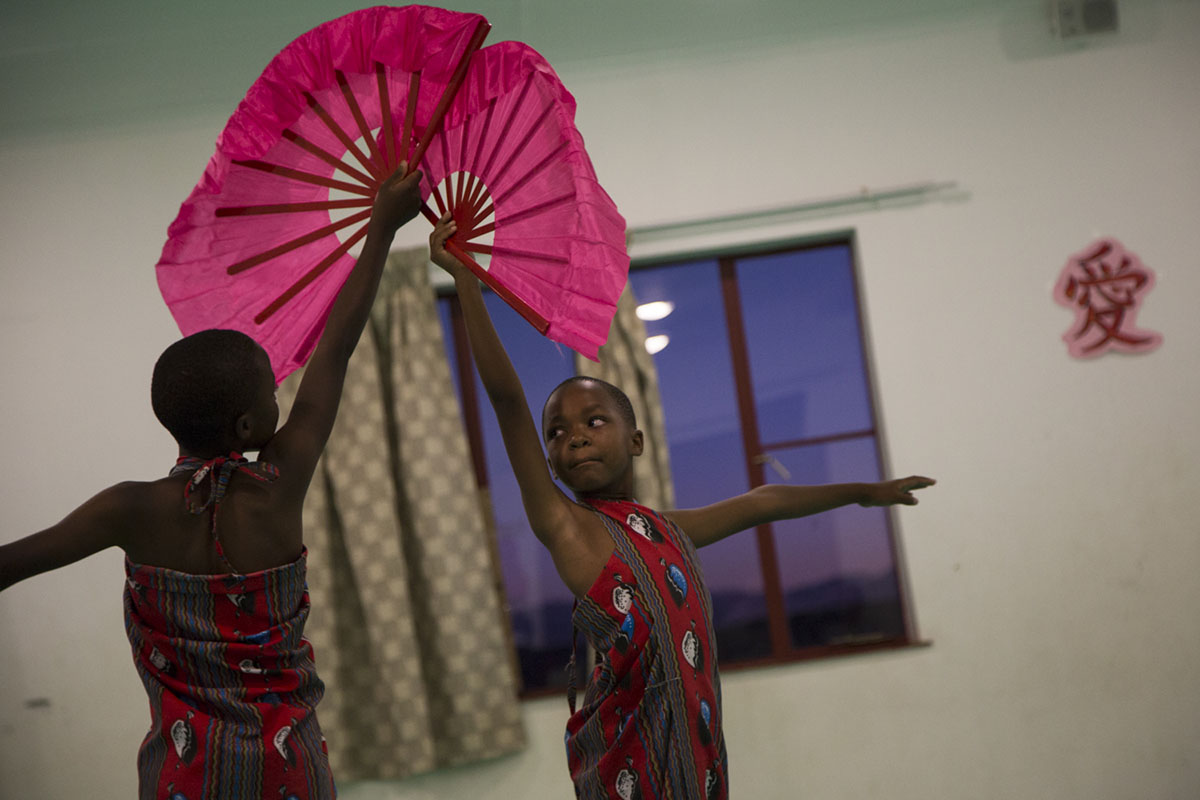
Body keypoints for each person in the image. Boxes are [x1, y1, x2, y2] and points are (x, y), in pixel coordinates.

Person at [428, 213, 935, 799]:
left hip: (699, 766)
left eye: (595, 421)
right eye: (559, 433)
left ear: (637, 441)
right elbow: (507, 402)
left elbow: (762, 500)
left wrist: (864, 492)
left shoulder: (666, 532)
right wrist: (465, 278)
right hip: (632, 777)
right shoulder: (565, 526)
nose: (576, 437)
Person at [0, 164, 424, 799]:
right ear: (249, 422)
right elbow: (336, 349)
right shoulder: (278, 485)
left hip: (186, 778)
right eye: (271, 390)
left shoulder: (129, 509)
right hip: (291, 773)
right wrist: (382, 230)